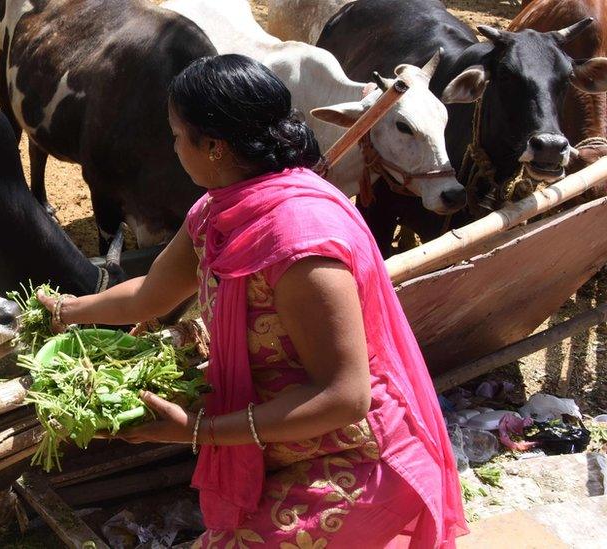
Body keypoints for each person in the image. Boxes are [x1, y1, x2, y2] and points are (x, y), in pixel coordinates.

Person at [37, 54, 466, 548]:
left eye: (178, 134)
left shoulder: (300, 242)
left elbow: (344, 397)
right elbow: (150, 296)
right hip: (281, 447)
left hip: (353, 461)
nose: (173, 146)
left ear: (215, 146)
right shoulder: (215, 211)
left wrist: (197, 432)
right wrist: (66, 311)